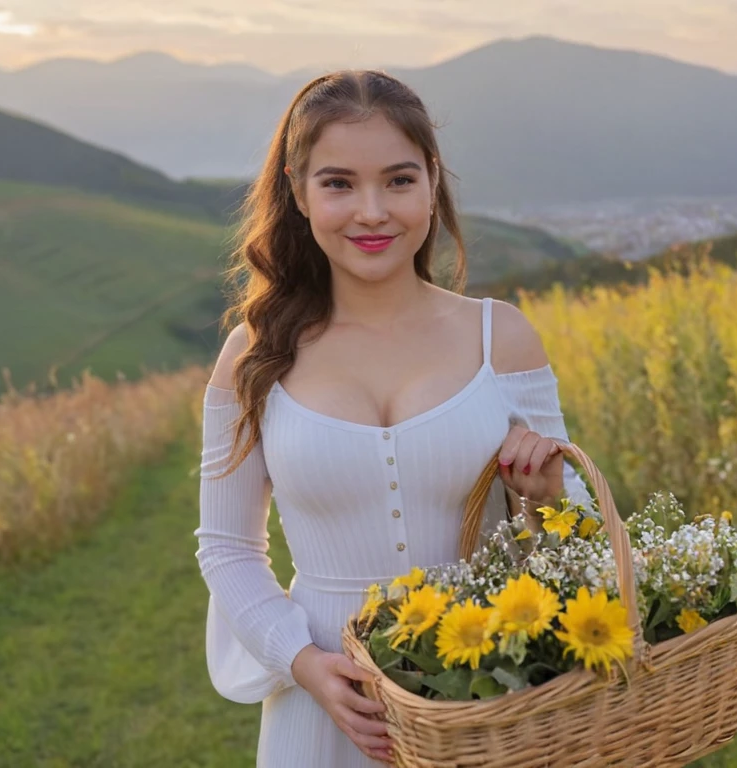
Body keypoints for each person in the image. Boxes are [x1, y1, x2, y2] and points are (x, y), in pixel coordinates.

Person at [194, 70, 594, 767]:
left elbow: (582, 532)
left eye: (399, 181)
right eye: (339, 183)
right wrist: (303, 663)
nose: (372, 212)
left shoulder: (502, 338)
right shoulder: (252, 357)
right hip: (325, 705)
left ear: (432, 183)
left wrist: (551, 499)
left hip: (488, 697)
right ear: (298, 190)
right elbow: (227, 547)